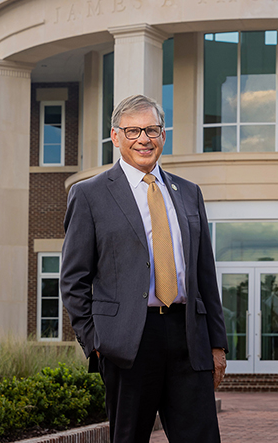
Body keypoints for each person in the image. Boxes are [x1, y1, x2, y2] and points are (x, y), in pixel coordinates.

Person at [61, 94, 228, 443]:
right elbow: (74, 279)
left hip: (188, 336)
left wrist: (217, 345)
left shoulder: (188, 193)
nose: (144, 139)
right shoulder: (89, 195)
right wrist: (95, 342)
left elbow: (205, 274)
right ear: (115, 136)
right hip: (128, 343)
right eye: (133, 130)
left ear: (163, 136)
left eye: (152, 130)